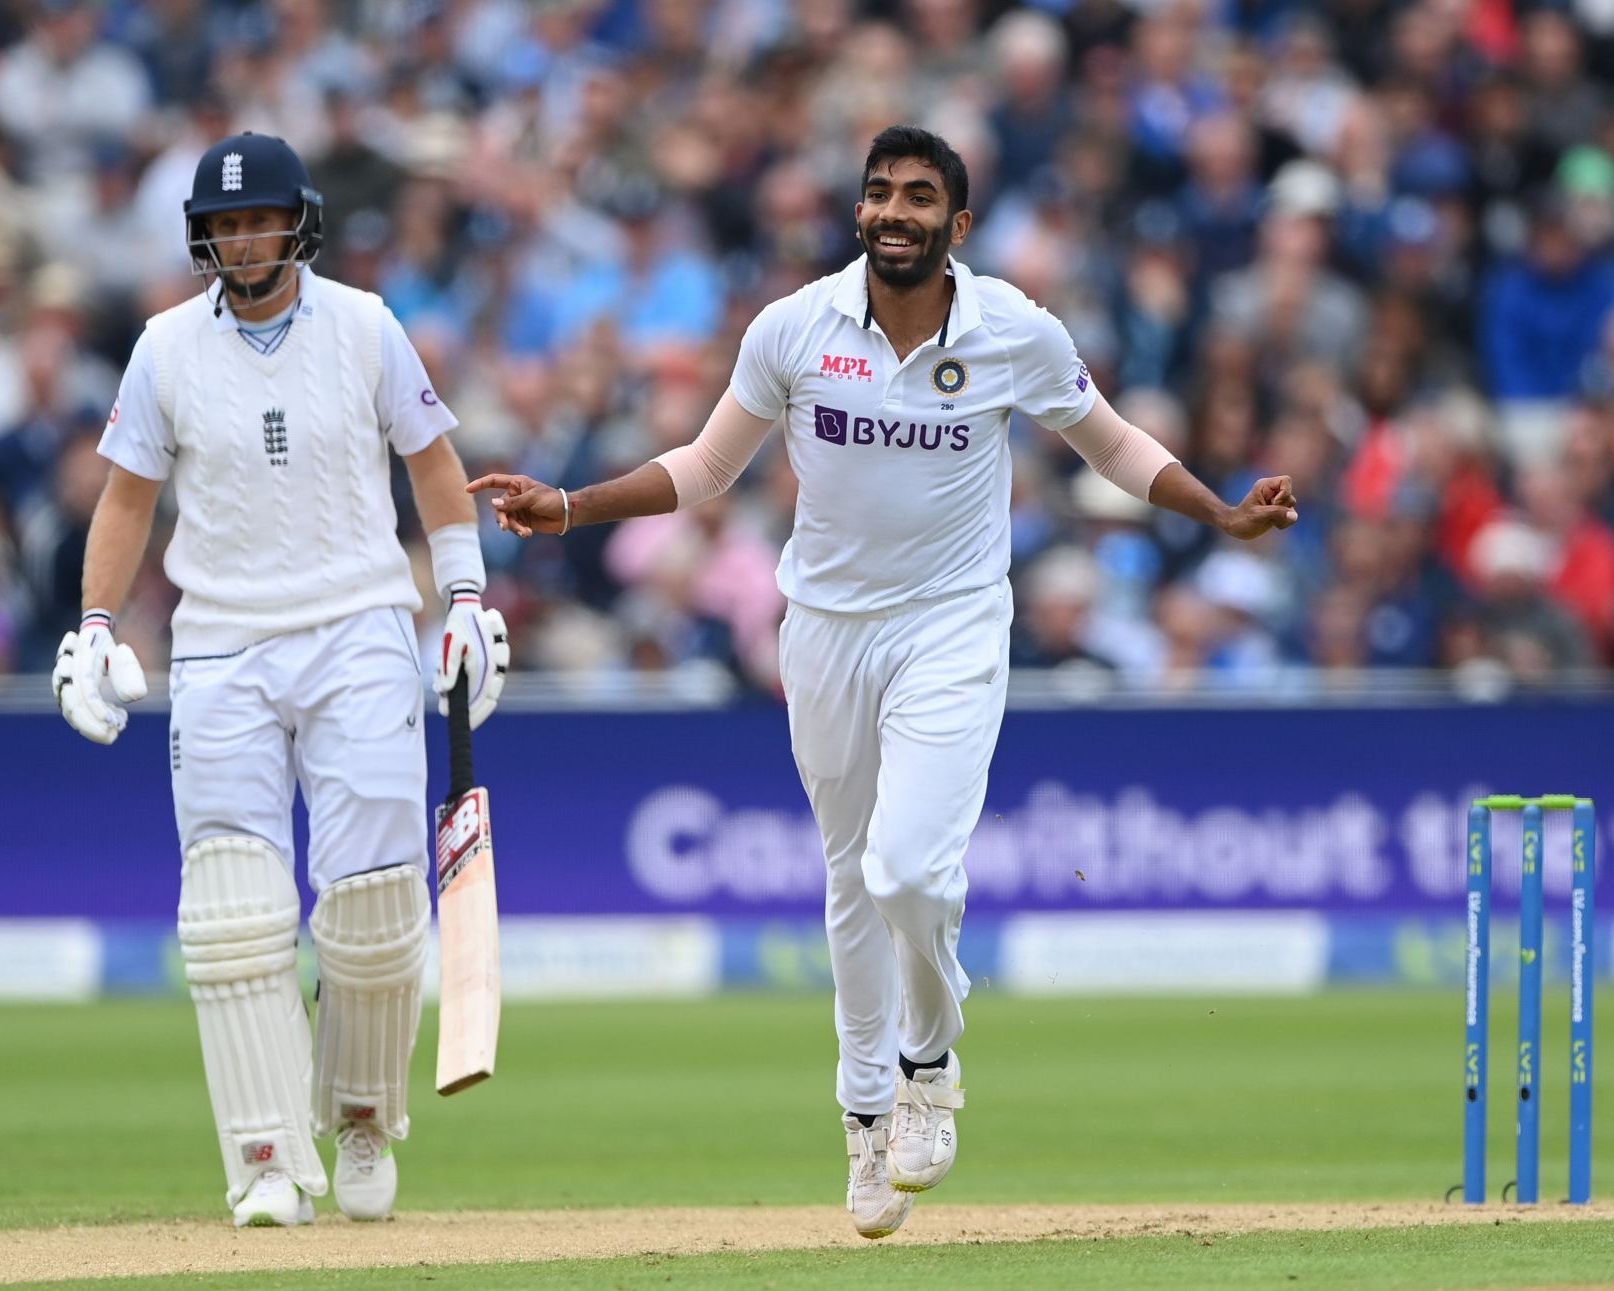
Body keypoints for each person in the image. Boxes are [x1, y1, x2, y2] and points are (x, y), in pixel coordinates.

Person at [470, 126, 1296, 1240]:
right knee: (852, 880)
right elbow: (705, 468)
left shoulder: (1015, 329)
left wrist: (1221, 511)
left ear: (956, 226)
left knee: (910, 866)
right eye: (878, 194)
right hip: (824, 631)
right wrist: (568, 506)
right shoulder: (795, 327)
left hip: (953, 627)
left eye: (918, 197)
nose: (893, 211)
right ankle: (863, 1112)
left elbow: (1110, 444)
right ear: (858, 213)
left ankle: (929, 1060)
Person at [52, 132, 508, 1228]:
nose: (242, 239)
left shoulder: (366, 326)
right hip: (221, 639)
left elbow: (433, 465)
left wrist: (467, 600)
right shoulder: (164, 346)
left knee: (372, 907)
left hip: (359, 628)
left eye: (259, 219)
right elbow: (125, 499)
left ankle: (357, 1119)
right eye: (224, 224)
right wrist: (96, 625)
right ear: (202, 235)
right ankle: (264, 1156)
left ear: (297, 220)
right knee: (231, 913)